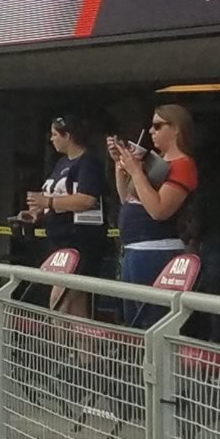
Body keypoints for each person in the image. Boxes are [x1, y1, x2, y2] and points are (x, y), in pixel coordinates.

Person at [111, 103, 199, 325]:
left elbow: (159, 210)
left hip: (157, 248)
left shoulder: (183, 164)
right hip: (133, 248)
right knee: (133, 320)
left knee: (150, 320)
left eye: (158, 126)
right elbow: (127, 199)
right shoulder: (155, 161)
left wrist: (135, 172)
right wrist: (120, 167)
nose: (152, 132)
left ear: (176, 128)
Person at [25, 113, 109, 314]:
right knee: (76, 309)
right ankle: (83, 345)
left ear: (68, 135)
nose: (52, 139)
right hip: (58, 239)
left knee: (60, 302)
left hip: (79, 241)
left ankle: (58, 345)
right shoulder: (61, 163)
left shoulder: (88, 163)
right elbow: (55, 199)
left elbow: (87, 199)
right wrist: (40, 211)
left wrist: (49, 202)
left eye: (55, 134)